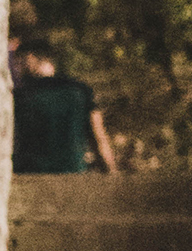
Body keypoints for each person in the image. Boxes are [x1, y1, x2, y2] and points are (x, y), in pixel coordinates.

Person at [13, 38, 119, 173]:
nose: (16, 69)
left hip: (29, 173)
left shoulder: (20, 96)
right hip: (73, 172)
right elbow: (98, 137)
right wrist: (111, 170)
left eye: (18, 62)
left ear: (30, 57)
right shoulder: (81, 91)